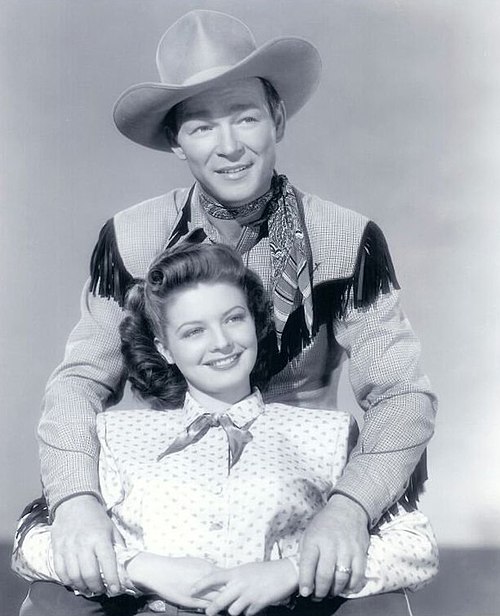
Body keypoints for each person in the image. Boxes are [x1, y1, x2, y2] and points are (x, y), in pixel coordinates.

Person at [17, 7, 437, 615]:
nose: (230, 147)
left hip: (302, 499)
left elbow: (403, 396)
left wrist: (349, 508)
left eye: (246, 117)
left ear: (278, 119)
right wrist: (79, 500)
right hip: (164, 510)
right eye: (202, 128)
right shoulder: (133, 239)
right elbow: (79, 382)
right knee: (52, 598)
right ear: (174, 141)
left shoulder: (344, 238)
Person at [13, 243, 438, 616]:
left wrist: (289, 574)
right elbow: (31, 545)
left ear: (254, 322)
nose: (221, 343)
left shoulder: (326, 434)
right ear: (165, 348)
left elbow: (416, 548)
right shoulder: (118, 435)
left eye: (233, 319)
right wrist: (141, 569)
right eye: (194, 331)